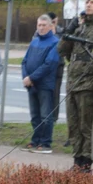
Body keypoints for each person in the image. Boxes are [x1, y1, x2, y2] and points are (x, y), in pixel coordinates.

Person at [58, 0, 93, 172]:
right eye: (87, 2)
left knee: (88, 127)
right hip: (73, 83)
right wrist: (69, 31)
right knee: (74, 125)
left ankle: (86, 162)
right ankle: (77, 159)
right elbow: (61, 51)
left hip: (90, 85)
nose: (88, 4)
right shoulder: (81, 26)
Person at [21, 15, 61, 153]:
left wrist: (32, 77)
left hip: (44, 84)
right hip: (31, 85)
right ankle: (35, 140)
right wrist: (25, 77)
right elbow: (25, 61)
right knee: (35, 115)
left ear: (50, 26)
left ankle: (45, 143)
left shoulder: (55, 42)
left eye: (44, 25)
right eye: (39, 25)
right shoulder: (34, 41)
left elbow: (49, 64)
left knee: (45, 115)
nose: (41, 27)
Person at [48, 12, 67, 129]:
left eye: (55, 22)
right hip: (45, 68)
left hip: (57, 67)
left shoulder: (60, 32)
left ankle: (54, 118)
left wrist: (55, 32)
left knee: (55, 94)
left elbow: (62, 47)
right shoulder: (41, 31)